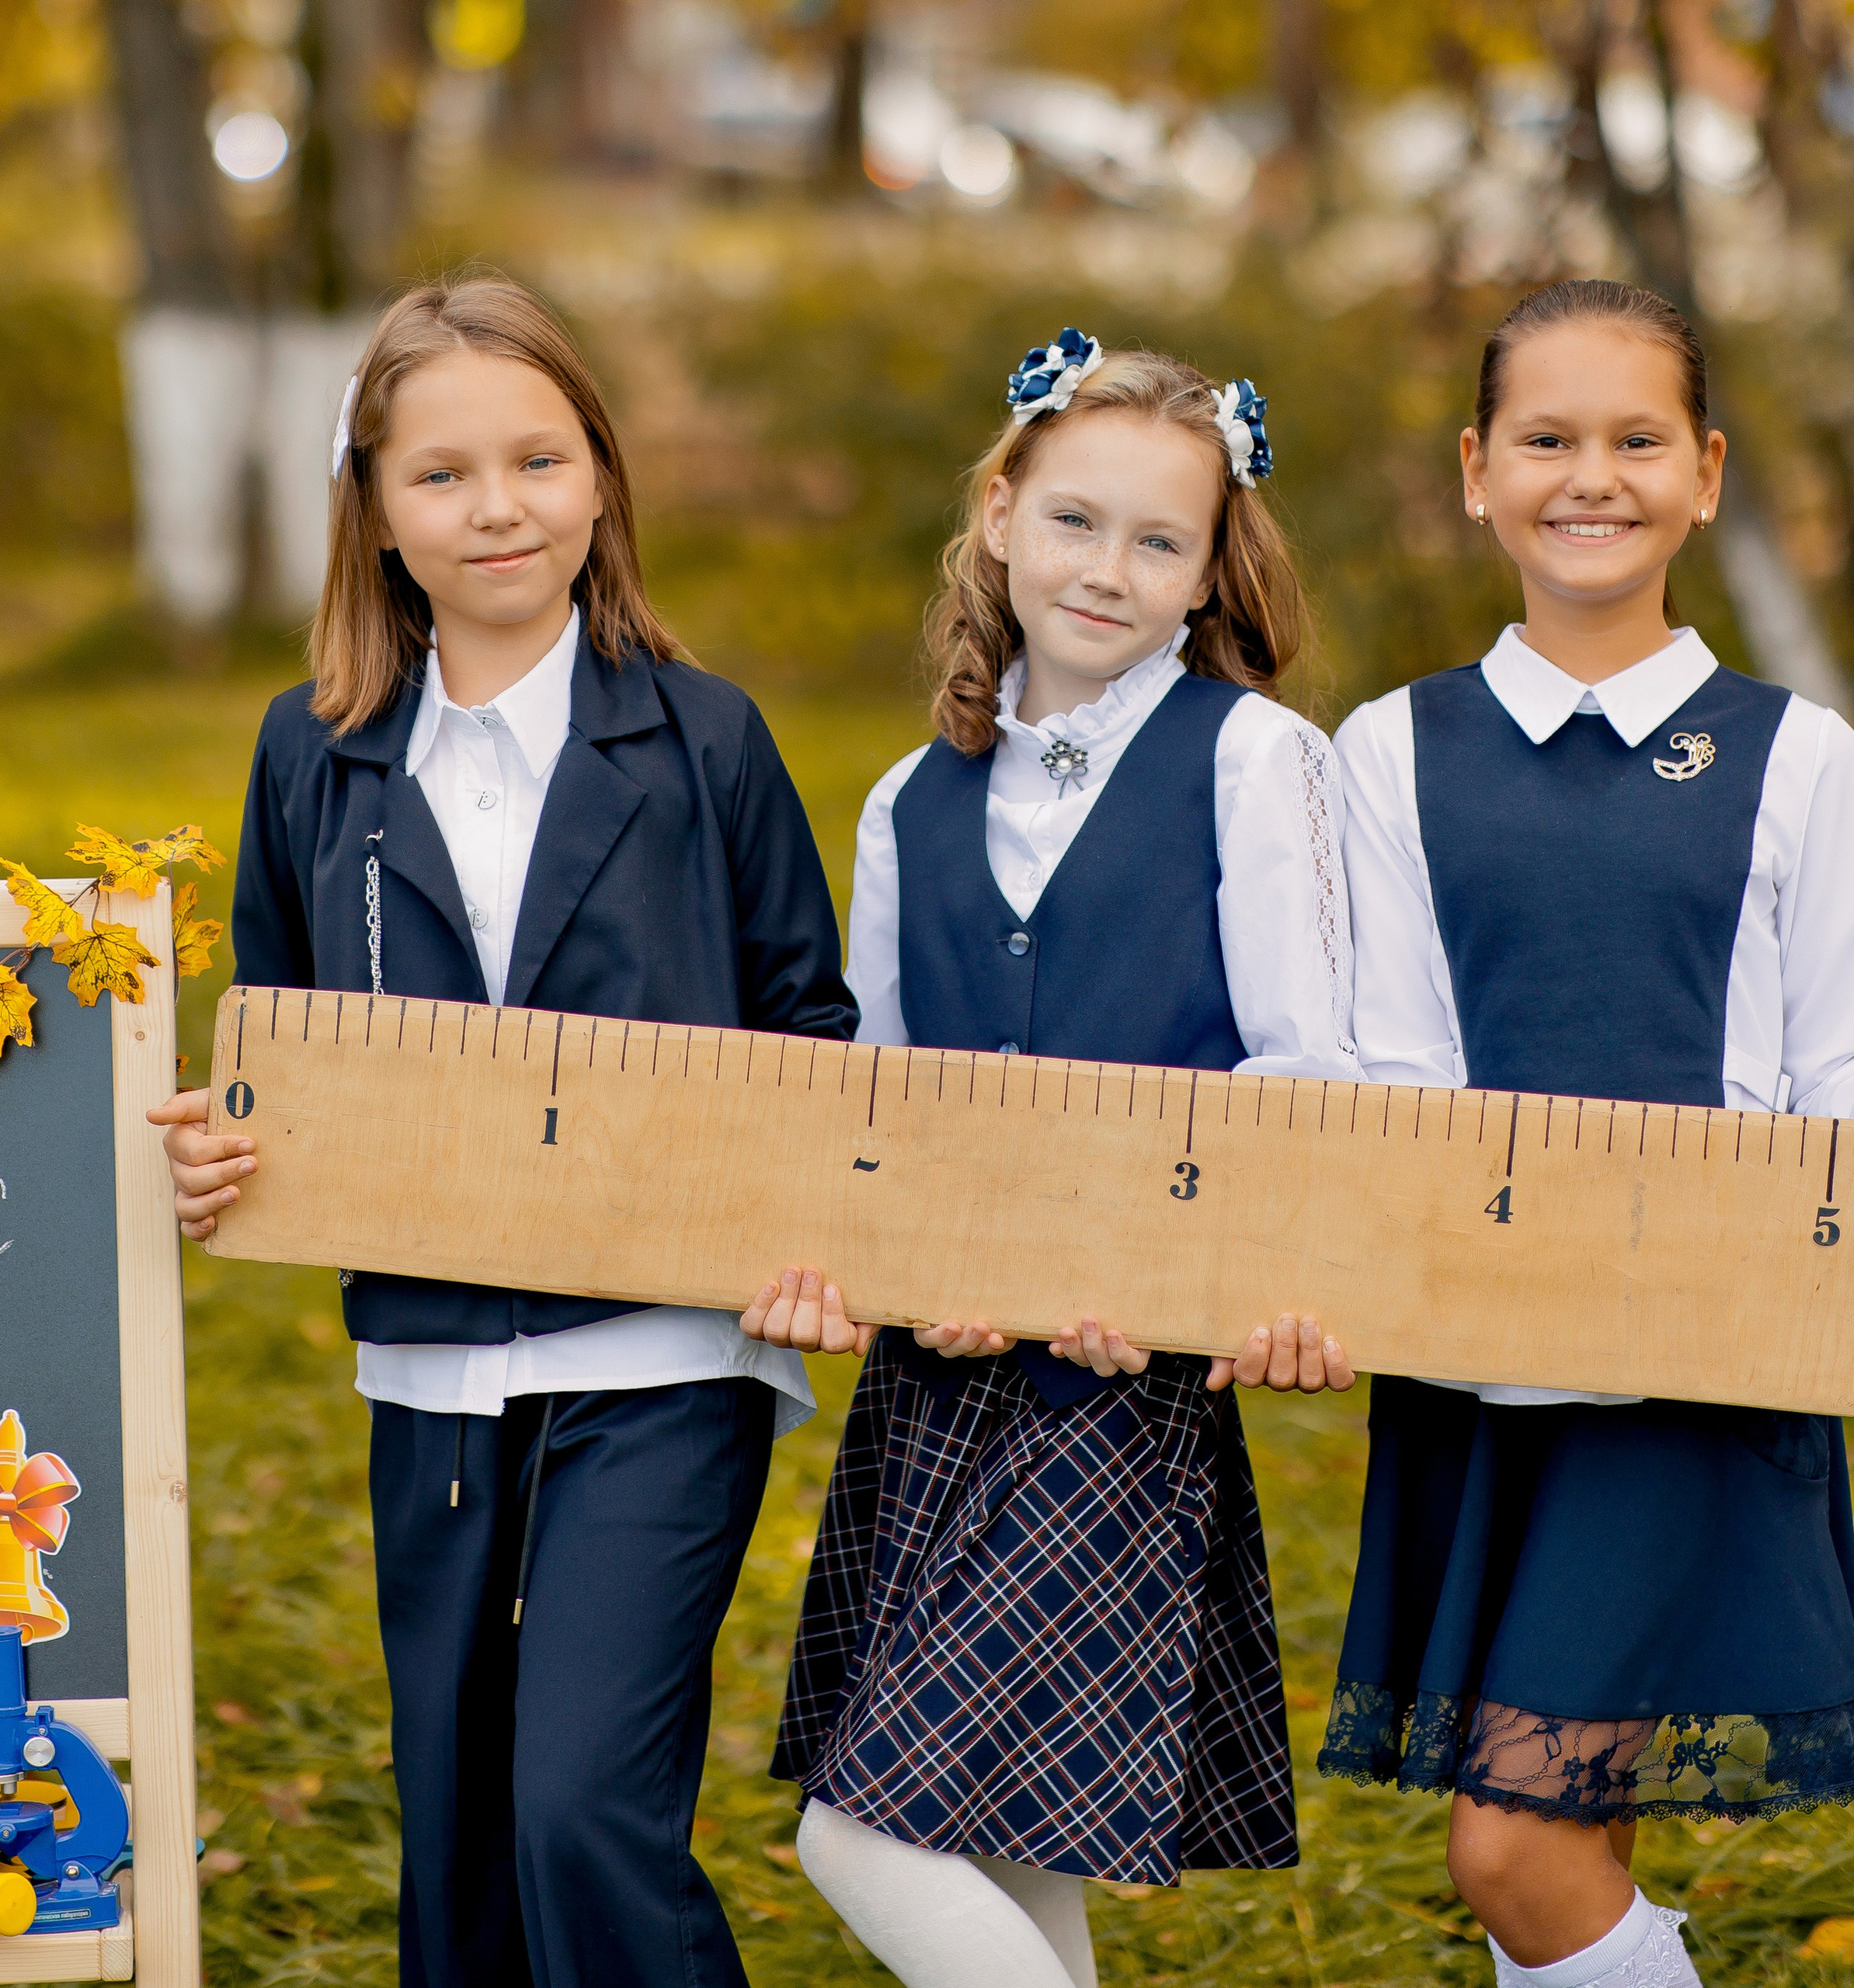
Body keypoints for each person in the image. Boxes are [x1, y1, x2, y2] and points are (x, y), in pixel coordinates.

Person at [147, 274, 857, 1988]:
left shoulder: (705, 743)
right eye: (442, 474)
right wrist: (217, 1149)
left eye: (536, 459)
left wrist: (815, 1238)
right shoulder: (312, 755)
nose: (496, 507)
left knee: (577, 1815)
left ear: (598, 477)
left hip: (667, 1356)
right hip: (432, 1370)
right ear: (375, 512)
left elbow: (813, 1033)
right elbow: (280, 1040)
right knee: (463, 1858)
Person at [742, 329, 1359, 1988]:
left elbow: (1300, 1078)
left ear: (1207, 565)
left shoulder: (1248, 759)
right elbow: (881, 1103)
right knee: (1006, 1842)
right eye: (1075, 521)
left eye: (1159, 540)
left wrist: (1182, 1285)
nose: (1109, 569)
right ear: (999, 514)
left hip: (1119, 1383)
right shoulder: (904, 799)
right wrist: (889, 1280)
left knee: (860, 1828)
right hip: (944, 1385)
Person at [1320, 278, 1854, 1988]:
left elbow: (1829, 1085)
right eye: (1544, 438)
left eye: (1635, 439)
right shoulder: (1385, 750)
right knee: (1572, 1820)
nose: (1588, 476)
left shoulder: (1801, 762)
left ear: (1700, 472)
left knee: (1513, 1838)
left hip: (1691, 1370)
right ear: (1476, 470)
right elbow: (1389, 1067)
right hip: (1477, 1362)